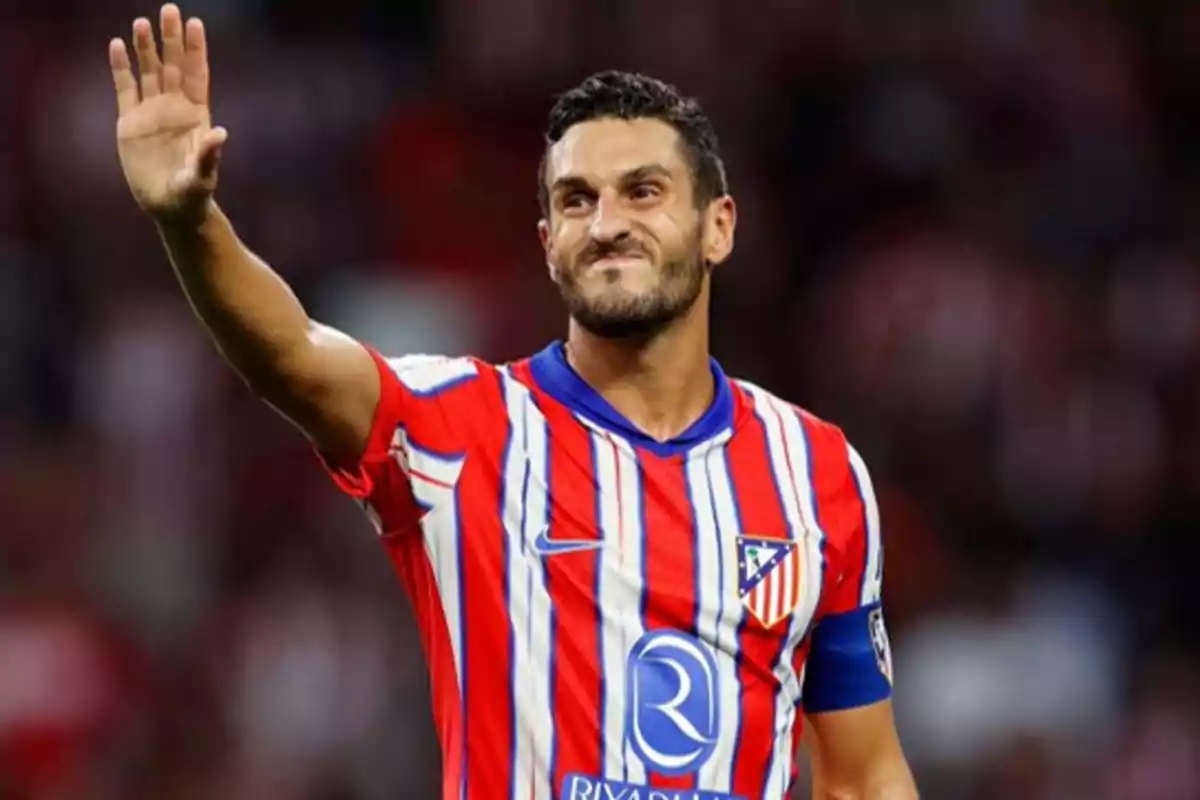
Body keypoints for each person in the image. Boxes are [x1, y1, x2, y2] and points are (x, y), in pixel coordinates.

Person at [108, 5, 918, 798]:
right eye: (576, 199)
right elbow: (288, 353)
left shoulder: (815, 471)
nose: (607, 224)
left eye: (643, 192)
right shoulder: (460, 424)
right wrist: (191, 221)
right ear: (546, 243)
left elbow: (864, 774)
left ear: (718, 228)